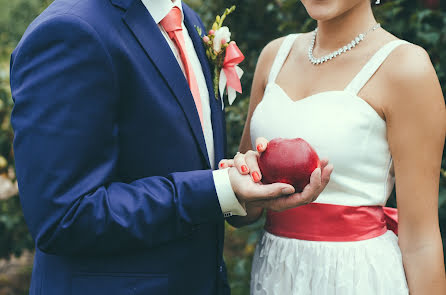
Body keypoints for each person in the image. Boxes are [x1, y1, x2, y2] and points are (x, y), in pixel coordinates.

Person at [9, 0, 333, 294]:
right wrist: (218, 188)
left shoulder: (188, 22)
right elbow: (65, 215)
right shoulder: (71, 31)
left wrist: (248, 192)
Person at [221, 0, 446, 294]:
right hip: (276, 272)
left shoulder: (406, 67)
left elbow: (421, 241)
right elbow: (243, 212)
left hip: (356, 276)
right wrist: (240, 187)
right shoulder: (274, 55)